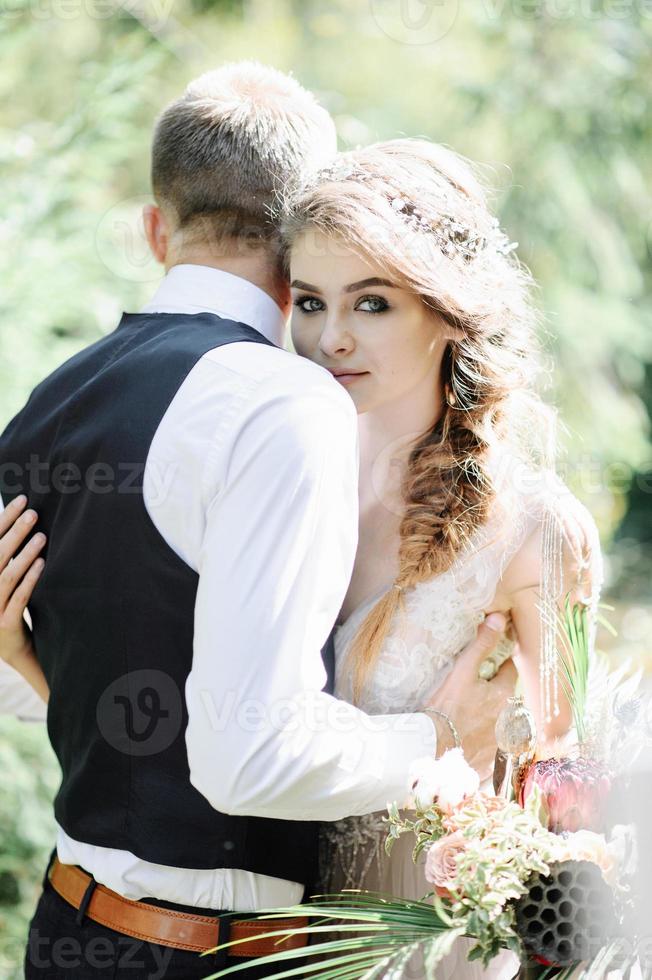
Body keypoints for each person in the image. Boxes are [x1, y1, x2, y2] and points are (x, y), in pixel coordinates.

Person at [0, 65, 514, 979]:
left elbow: (75, 689)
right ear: (300, 243)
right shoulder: (286, 403)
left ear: (157, 228)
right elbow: (249, 758)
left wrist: (28, 661)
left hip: (68, 933)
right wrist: (438, 740)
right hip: (213, 957)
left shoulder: (47, 402)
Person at [280, 139, 603, 978]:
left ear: (445, 311)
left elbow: (575, 820)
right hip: (259, 940)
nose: (331, 338)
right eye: (309, 302)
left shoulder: (531, 529)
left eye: (373, 304)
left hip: (429, 956)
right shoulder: (278, 495)